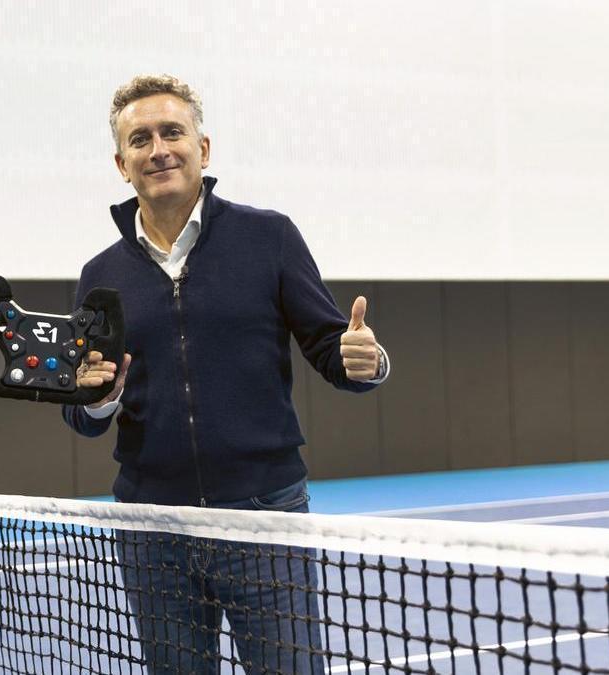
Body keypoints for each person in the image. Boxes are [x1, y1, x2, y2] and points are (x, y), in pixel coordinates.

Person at [64, 75, 390, 674]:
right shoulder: (99, 276)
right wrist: (95, 400)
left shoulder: (269, 237)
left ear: (203, 148)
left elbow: (329, 344)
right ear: (122, 163)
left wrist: (364, 362)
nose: (158, 149)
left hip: (265, 517)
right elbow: (81, 411)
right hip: (151, 528)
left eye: (172, 132)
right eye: (141, 139)